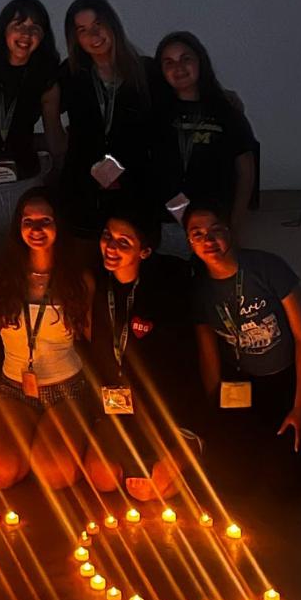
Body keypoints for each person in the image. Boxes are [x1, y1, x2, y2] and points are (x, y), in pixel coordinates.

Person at [184, 203, 301, 502]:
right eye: (197, 234)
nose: (208, 241)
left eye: (216, 231)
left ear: (230, 232)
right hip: (244, 386)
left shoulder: (267, 267)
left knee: (285, 488)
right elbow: (208, 354)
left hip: (290, 381)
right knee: (230, 481)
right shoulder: (200, 290)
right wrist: (216, 413)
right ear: (189, 242)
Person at [82, 200, 205, 501]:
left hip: (163, 409)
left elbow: (182, 364)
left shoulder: (167, 292)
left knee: (150, 491)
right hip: (116, 407)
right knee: (103, 479)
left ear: (144, 252)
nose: (111, 247)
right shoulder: (94, 282)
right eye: (107, 236)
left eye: (124, 242)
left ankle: (189, 447)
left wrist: (184, 431)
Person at [0, 190, 95, 490]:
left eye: (45, 220)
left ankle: (45, 446)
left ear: (59, 226)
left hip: (66, 389)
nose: (36, 229)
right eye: (28, 221)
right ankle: (30, 445)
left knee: (54, 476)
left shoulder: (79, 280)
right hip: (13, 388)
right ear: (18, 228)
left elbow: (94, 338)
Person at [0, 0, 66, 268]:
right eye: (19, 25)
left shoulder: (46, 78)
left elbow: (54, 137)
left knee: (27, 264)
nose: (26, 34)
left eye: (35, 29)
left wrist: (63, 168)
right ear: (4, 30)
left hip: (25, 184)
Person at [58, 0, 158, 243]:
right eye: (82, 30)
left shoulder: (146, 71)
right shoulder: (70, 73)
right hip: (83, 189)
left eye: (98, 25)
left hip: (136, 188)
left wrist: (221, 95)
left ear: (112, 24)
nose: (93, 35)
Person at [155, 31, 257, 244]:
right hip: (167, 225)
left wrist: (236, 223)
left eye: (186, 59)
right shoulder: (154, 111)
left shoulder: (226, 111)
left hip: (214, 224)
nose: (179, 67)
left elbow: (245, 169)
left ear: (200, 61)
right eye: (169, 62)